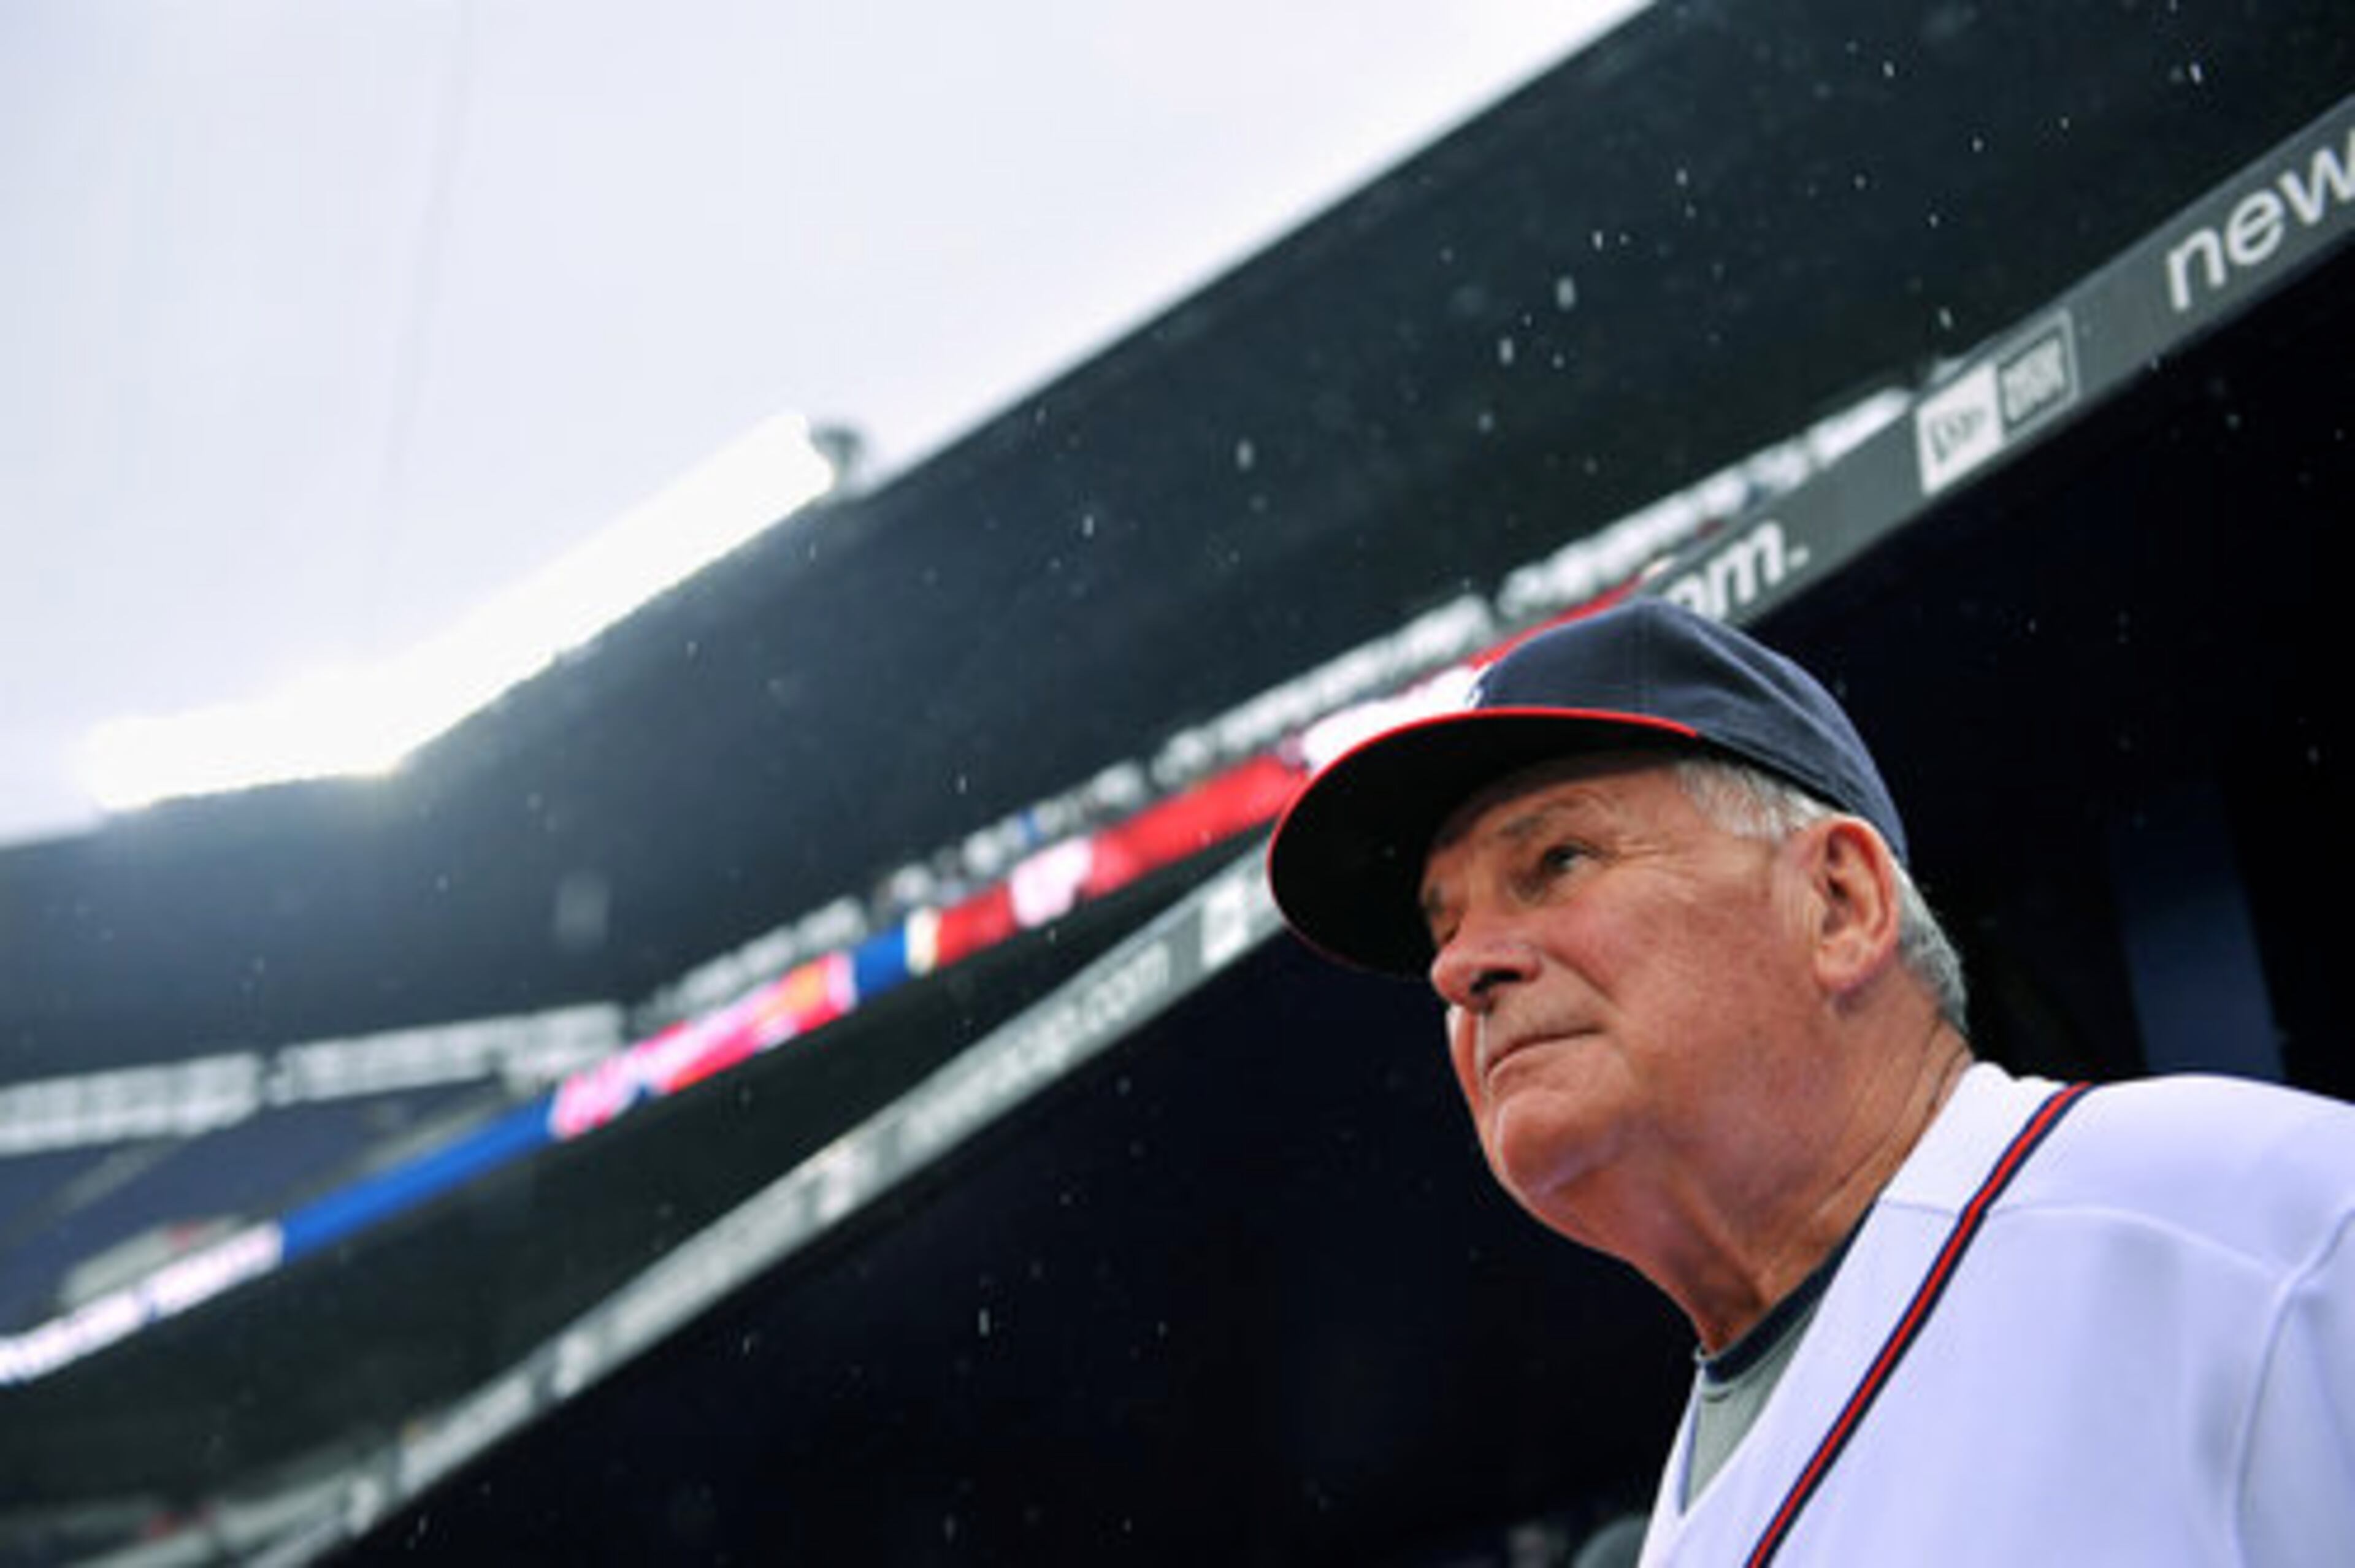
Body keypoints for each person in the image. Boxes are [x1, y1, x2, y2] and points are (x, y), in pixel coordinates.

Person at [1265, 595, 2355, 1566]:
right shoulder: (1685, 1521)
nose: (1460, 967)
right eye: (1442, 929)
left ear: (1839, 903)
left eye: (1557, 862)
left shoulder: (2249, 1228)